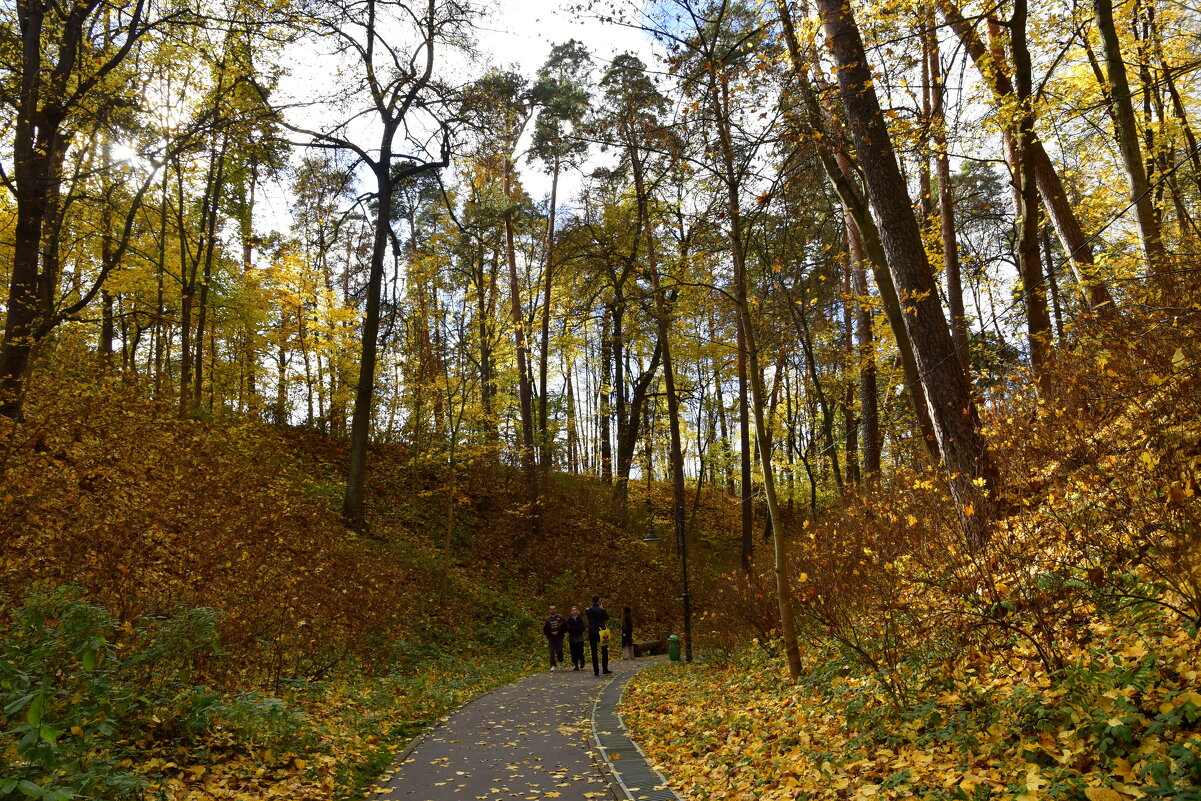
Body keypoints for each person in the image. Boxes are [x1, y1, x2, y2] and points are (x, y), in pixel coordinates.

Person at [585, 595, 611, 675]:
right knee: (604, 650)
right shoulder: (601, 610)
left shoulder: (588, 610)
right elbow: (606, 618)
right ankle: (605, 668)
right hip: (601, 631)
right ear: (598, 600)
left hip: (592, 631)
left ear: (592, 600)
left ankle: (596, 670)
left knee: (594, 651)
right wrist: (602, 608)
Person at [543, 605, 567, 671]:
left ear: (556, 610)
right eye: (551, 609)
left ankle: (561, 661)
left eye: (554, 609)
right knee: (552, 651)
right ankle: (553, 665)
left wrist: (558, 632)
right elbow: (545, 629)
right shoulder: (547, 619)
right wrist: (551, 633)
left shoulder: (560, 617)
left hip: (559, 637)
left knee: (559, 650)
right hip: (551, 638)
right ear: (549, 610)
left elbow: (564, 627)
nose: (552, 610)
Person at [565, 605, 586, 670]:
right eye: (572, 610)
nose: (574, 611)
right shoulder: (569, 619)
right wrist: (572, 630)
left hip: (579, 637)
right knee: (573, 652)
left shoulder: (580, 618)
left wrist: (577, 630)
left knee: (580, 651)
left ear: (577, 611)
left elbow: (583, 627)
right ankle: (576, 665)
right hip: (572, 637)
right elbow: (568, 627)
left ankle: (582, 660)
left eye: (575, 610)